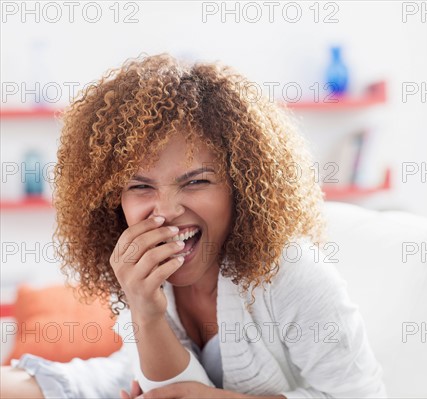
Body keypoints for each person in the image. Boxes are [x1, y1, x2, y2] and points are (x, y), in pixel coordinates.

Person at [0, 54, 386, 398]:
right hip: (123, 370)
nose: (165, 211)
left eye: (196, 181)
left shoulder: (291, 271)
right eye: (139, 186)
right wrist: (145, 310)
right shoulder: (135, 269)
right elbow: (167, 391)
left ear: (242, 185)